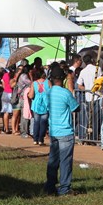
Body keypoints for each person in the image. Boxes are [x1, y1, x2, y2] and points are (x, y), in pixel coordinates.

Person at [45, 67, 80, 196]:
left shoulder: (48, 93)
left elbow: (45, 107)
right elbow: (76, 107)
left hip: (54, 131)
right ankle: (64, 188)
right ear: (64, 78)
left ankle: (50, 186)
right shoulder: (65, 93)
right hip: (65, 131)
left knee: (53, 160)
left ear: (51, 79)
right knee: (65, 161)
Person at [28, 68, 50, 145]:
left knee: (36, 122)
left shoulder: (34, 83)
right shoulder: (48, 82)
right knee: (43, 122)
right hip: (46, 104)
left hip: (36, 104)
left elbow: (31, 95)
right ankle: (41, 139)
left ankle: (35, 139)